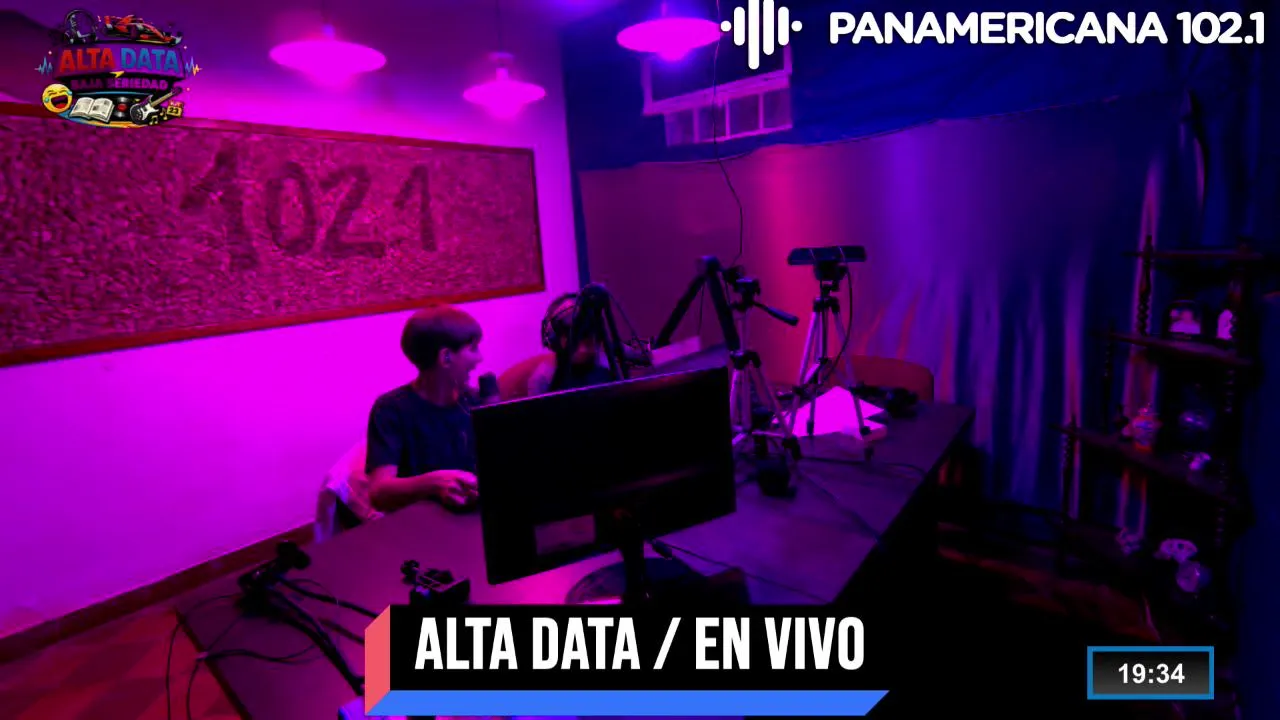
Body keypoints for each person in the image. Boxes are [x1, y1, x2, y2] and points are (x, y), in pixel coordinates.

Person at [365, 306, 484, 513]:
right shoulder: (391, 409)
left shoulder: (475, 400)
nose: (479, 358)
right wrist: (434, 482)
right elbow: (379, 493)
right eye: (473, 349)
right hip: (421, 521)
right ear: (446, 357)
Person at [529, 292, 617, 395]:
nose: (584, 349)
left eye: (587, 335)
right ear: (555, 339)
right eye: (575, 337)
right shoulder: (543, 378)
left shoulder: (608, 365)